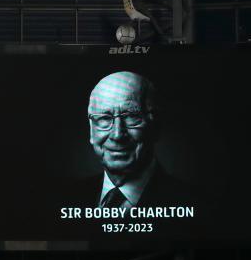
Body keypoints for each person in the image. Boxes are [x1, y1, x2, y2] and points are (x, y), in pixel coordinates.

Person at [77, 71, 192, 211]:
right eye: (104, 118)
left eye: (131, 116)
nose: (117, 135)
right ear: (91, 129)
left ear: (155, 127)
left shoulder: (194, 203)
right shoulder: (65, 198)